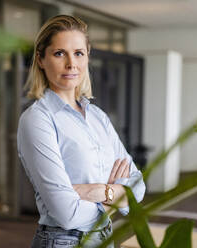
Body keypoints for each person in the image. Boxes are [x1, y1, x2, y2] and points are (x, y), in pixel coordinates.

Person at [17, 15, 145, 248]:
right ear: (41, 59)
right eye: (59, 53)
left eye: (78, 53)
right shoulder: (38, 120)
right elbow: (66, 213)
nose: (71, 64)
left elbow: (138, 186)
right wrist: (116, 195)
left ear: (87, 57)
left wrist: (97, 192)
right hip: (64, 241)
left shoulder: (97, 117)